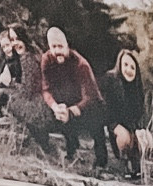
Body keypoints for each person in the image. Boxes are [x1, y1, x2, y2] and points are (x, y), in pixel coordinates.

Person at [40, 26, 105, 170]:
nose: (57, 50)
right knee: (58, 110)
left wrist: (71, 111)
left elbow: (90, 97)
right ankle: (72, 148)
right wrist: (55, 107)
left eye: (60, 46)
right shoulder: (47, 60)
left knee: (96, 119)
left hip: (89, 104)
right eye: (53, 47)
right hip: (66, 102)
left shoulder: (81, 64)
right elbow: (46, 90)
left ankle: (101, 159)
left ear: (67, 45)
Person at [101, 48, 149, 180]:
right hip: (112, 122)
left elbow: (139, 113)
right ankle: (123, 165)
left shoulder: (136, 87)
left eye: (132, 67)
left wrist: (139, 129)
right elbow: (105, 107)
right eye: (125, 65)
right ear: (120, 65)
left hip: (129, 123)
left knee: (143, 138)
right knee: (124, 137)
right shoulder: (110, 79)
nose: (128, 70)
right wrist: (114, 127)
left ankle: (137, 166)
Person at [0, 27, 26, 117]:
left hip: (17, 84)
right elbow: (1, 72)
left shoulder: (17, 58)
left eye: (8, 45)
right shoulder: (6, 59)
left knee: (2, 91)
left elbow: (19, 74)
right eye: (3, 47)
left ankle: (5, 111)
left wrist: (13, 81)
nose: (6, 49)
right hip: (9, 82)